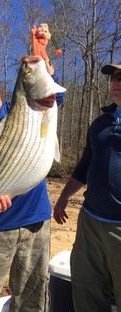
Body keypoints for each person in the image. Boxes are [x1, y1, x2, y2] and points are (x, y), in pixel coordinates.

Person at [0, 25, 65, 312]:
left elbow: (48, 88)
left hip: (36, 221)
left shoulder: (25, 104)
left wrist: (40, 50)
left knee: (33, 298)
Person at [53, 62, 121, 312]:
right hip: (90, 224)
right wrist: (63, 198)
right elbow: (85, 165)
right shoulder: (100, 124)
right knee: (86, 294)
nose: (116, 81)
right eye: (114, 77)